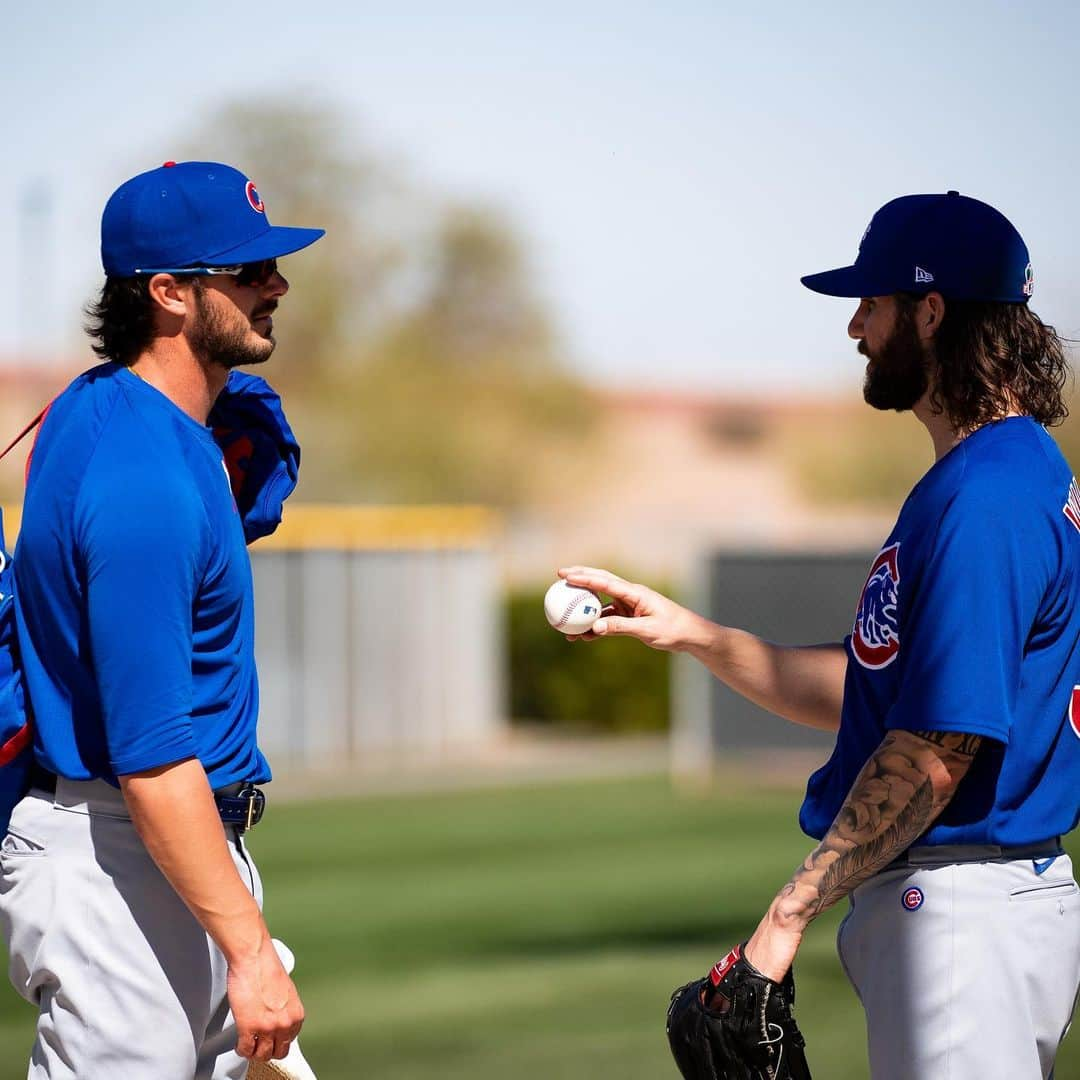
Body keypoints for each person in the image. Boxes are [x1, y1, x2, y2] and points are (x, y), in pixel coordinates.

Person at [561, 191, 1080, 1078]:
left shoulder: (985, 497)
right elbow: (882, 696)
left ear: (930, 311)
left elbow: (937, 747)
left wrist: (784, 918)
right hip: (971, 905)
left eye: (870, 304)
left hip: (964, 908)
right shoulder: (996, 472)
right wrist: (695, 634)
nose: (854, 329)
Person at [1, 160, 324, 1078]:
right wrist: (253, 954)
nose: (277, 285)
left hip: (165, 855)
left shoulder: (109, 406)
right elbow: (149, 755)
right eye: (248, 271)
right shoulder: (142, 481)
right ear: (169, 293)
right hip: (122, 864)